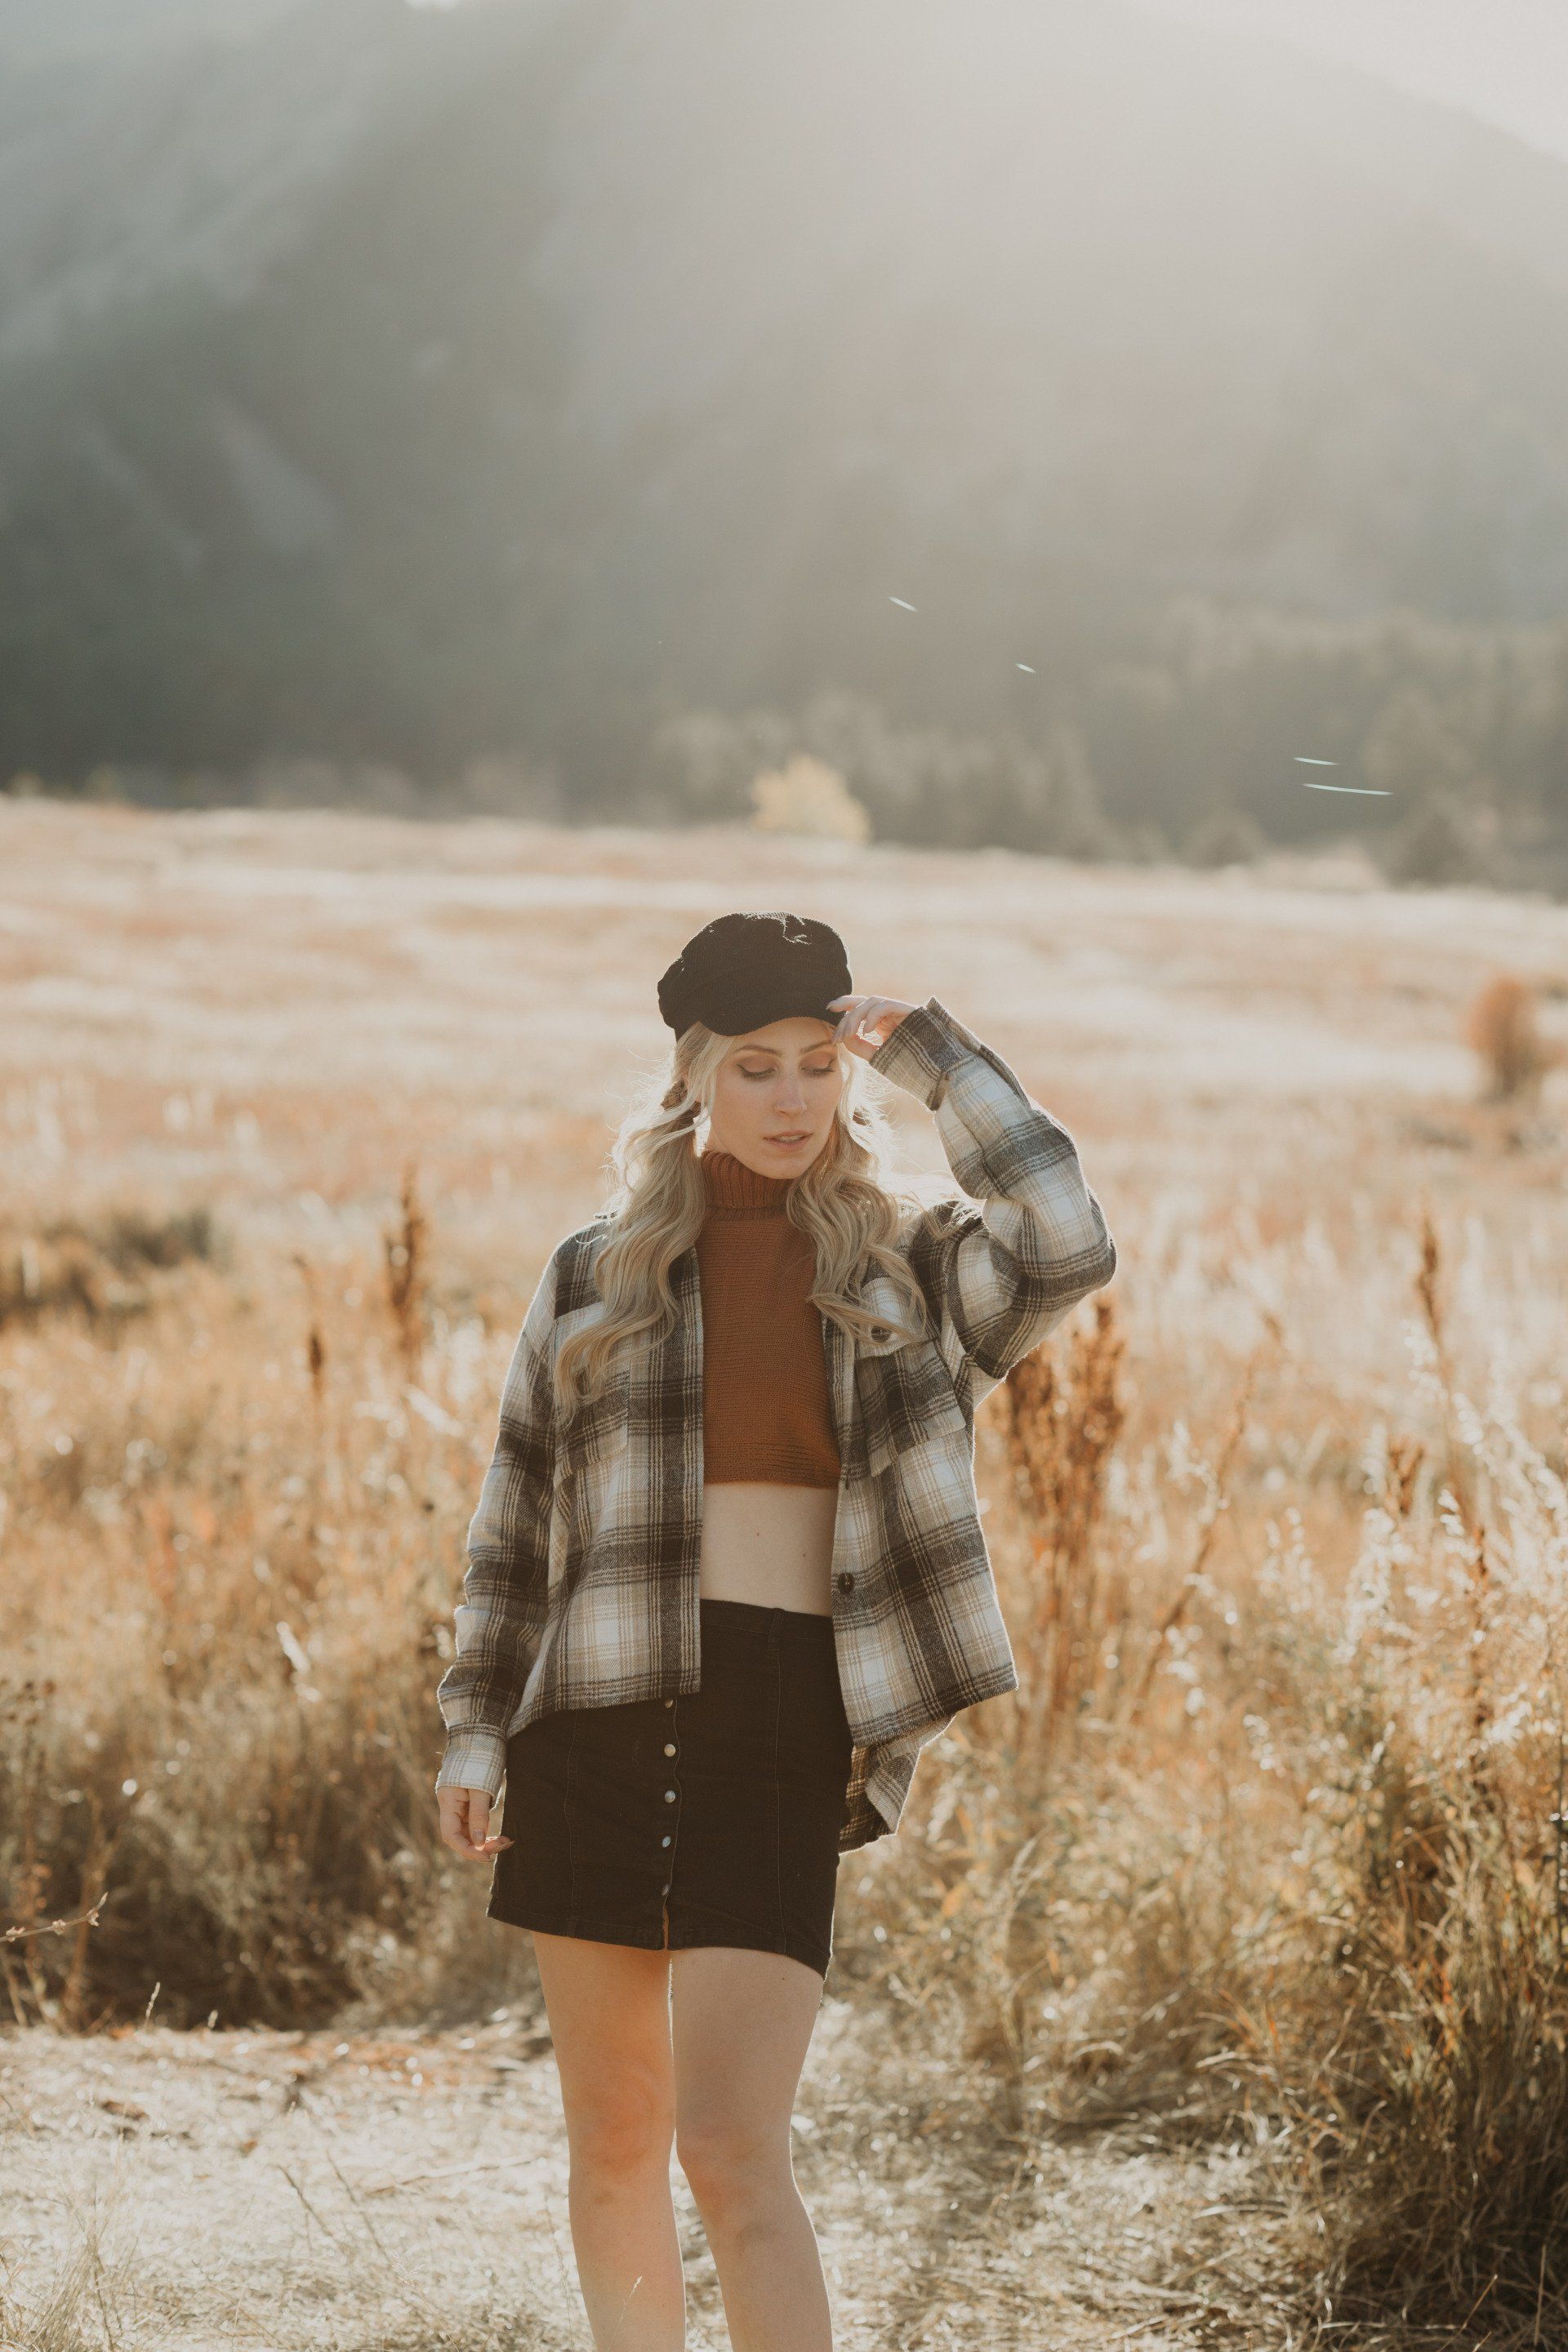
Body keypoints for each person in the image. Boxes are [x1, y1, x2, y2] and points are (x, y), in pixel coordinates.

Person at [434, 910, 1117, 2352]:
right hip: (595, 1718)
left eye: (818, 1064)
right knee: (613, 2143)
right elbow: (515, 1518)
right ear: (694, 1076)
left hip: (780, 1719)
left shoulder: (910, 1268)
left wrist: (931, 1053)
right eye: (757, 1067)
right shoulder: (595, 1270)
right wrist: (472, 1722)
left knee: (733, 2151)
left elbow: (1066, 1241)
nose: (795, 1097)